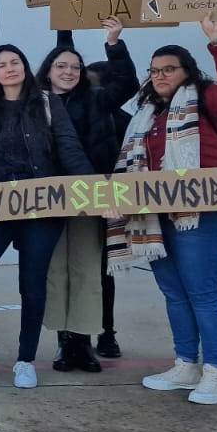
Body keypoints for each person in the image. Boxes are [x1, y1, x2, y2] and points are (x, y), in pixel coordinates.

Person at [117, 15, 217, 406]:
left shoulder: (208, 99)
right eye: (155, 71)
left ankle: (215, 371)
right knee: (174, 292)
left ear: (186, 71)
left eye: (169, 70)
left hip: (201, 214)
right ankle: (185, 364)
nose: (160, 76)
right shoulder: (146, 113)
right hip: (155, 215)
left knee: (202, 291)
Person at [0, 45, 93, 389]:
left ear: (25, 66)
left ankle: (25, 359)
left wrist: (96, 194)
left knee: (32, 285)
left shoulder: (48, 103)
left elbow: (70, 148)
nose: (9, 68)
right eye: (1, 65)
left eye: (15, 61)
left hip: (41, 206)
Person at [37, 21, 136, 373]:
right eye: (61, 65)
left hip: (91, 197)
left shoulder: (96, 98)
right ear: (48, 70)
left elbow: (127, 84)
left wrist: (113, 43)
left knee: (87, 270)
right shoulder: (35, 104)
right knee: (56, 271)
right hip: (48, 200)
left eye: (75, 67)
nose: (69, 71)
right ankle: (64, 343)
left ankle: (84, 342)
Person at [85, 58, 136, 359]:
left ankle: (105, 332)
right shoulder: (125, 118)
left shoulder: (120, 119)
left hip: (106, 202)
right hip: (85, 200)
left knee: (102, 270)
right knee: (98, 270)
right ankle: (101, 333)